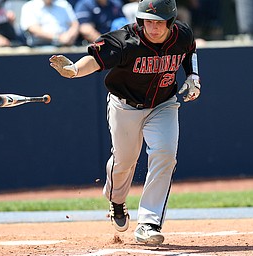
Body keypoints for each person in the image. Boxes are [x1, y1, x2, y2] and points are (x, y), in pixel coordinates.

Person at [49, 0, 201, 245]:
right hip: (125, 105)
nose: (152, 27)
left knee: (165, 154)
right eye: (147, 21)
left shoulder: (181, 34)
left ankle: (149, 223)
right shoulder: (124, 40)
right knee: (125, 160)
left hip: (163, 104)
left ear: (171, 23)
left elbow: (190, 50)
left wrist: (192, 75)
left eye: (159, 22)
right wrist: (75, 70)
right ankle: (116, 200)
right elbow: (97, 59)